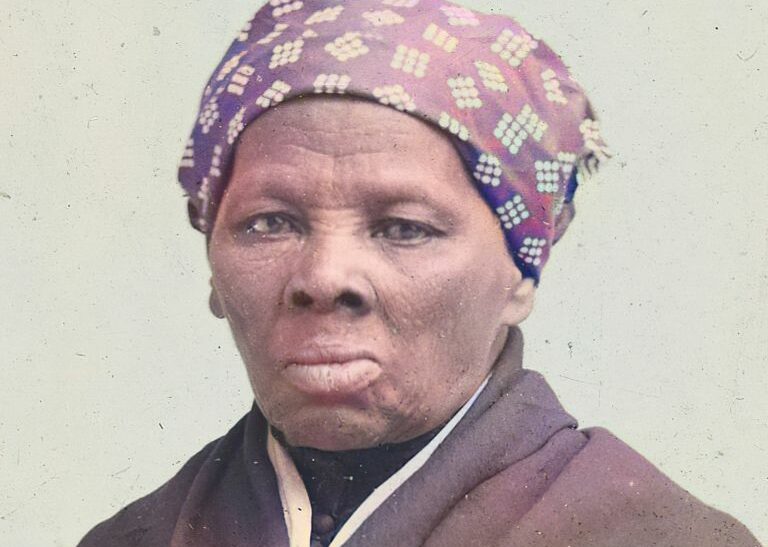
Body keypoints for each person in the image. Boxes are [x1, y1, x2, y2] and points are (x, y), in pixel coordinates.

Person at [78, 0, 760, 545]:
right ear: (212, 263)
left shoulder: (656, 534)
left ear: (521, 275)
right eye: (270, 223)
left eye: (404, 228)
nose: (324, 277)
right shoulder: (137, 537)